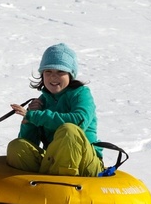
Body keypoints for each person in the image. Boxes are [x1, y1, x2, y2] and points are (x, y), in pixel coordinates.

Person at [6, 43, 104, 177]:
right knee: (17, 146)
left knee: (69, 130)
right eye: (48, 72)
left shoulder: (81, 94)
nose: (53, 77)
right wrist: (29, 120)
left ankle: (60, 186)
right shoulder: (42, 101)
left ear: (70, 74)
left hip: (85, 164)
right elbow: (30, 142)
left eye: (60, 72)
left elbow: (79, 122)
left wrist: (37, 116)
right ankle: (30, 188)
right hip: (54, 161)